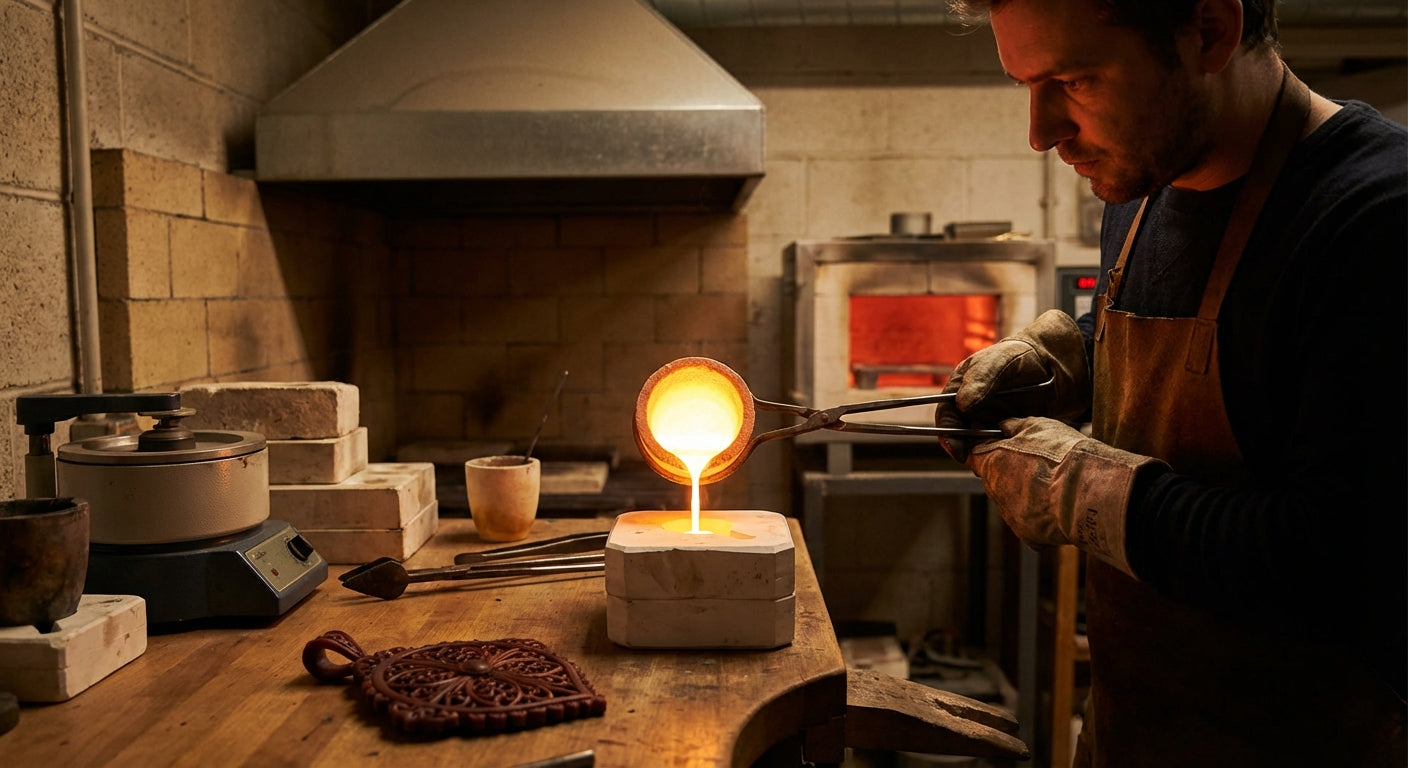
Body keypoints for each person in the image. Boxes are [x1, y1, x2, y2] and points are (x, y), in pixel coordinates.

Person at [934, 0, 1407, 765]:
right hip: (1132, 736)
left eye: (1076, 80)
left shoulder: (1375, 221)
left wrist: (1082, 494)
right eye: (1026, 85)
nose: (1041, 132)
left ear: (1211, 30)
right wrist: (1069, 358)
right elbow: (1222, 349)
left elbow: (1339, 567)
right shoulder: (1146, 181)